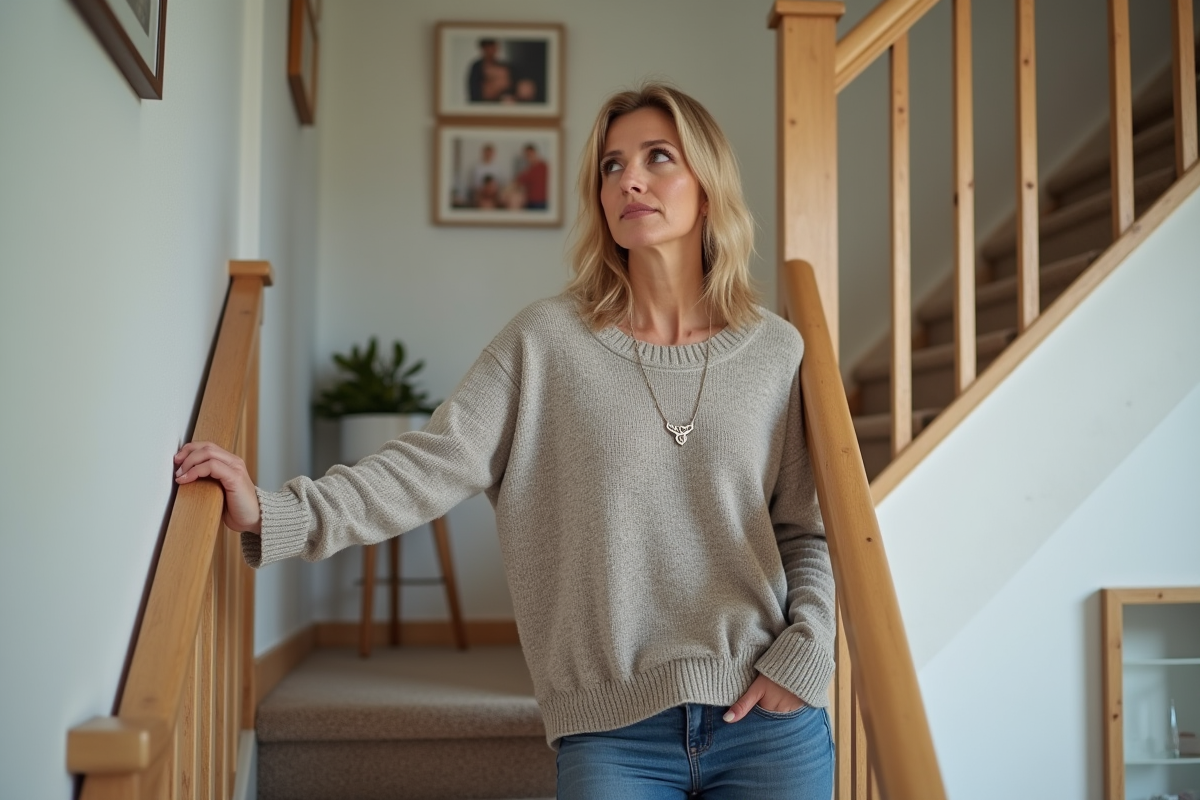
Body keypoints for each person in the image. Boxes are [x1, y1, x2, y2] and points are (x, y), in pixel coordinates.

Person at [174, 83, 835, 799]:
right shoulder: (546, 343)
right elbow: (431, 462)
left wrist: (804, 655)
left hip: (767, 722)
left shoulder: (777, 352)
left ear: (708, 188)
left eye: (657, 157)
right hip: (613, 732)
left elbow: (807, 532)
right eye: (611, 167)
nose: (630, 180)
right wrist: (279, 513)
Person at [466, 38, 512, 102]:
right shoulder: (477, 67)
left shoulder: (504, 66)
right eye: (487, 48)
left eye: (492, 48)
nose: (490, 51)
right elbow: (473, 91)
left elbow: (508, 86)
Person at [514, 143, 549, 210]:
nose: (528, 157)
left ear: (535, 153)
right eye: (526, 155)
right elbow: (518, 182)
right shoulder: (527, 170)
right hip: (529, 202)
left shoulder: (544, 167)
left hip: (542, 202)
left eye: (530, 154)